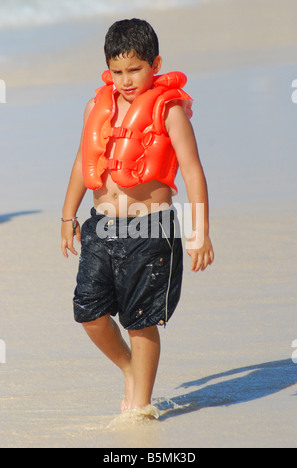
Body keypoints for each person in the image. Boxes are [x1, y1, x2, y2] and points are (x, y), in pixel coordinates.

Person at [61, 18, 214, 416]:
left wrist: (199, 233)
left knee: (140, 321)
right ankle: (131, 369)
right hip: (100, 226)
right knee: (89, 312)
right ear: (107, 69)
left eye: (135, 69)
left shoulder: (170, 112)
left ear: (155, 64)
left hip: (151, 229)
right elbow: (83, 162)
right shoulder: (97, 107)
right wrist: (67, 215)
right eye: (117, 71)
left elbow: (193, 171)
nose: (126, 80)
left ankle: (139, 405)